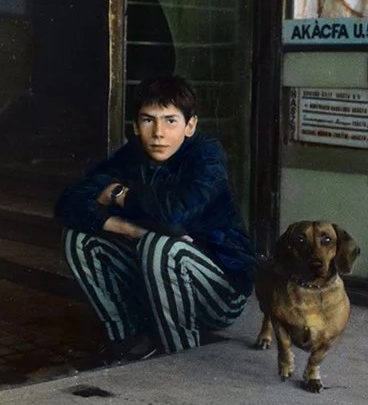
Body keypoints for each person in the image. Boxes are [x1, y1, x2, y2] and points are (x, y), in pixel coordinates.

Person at [55, 75, 256, 361]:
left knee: (161, 245)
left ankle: (179, 353)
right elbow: (68, 202)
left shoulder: (207, 155)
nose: (158, 132)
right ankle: (128, 339)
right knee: (80, 238)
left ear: (190, 126)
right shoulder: (131, 155)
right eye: (149, 120)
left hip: (220, 291)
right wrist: (125, 227)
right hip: (158, 285)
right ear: (136, 126)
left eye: (170, 120)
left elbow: (174, 217)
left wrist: (118, 196)